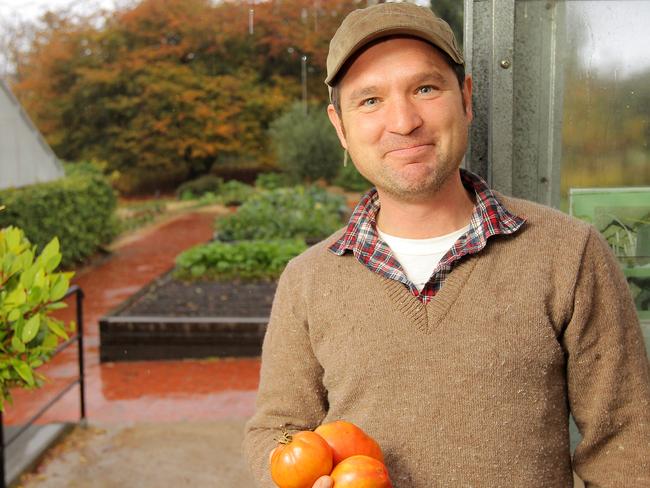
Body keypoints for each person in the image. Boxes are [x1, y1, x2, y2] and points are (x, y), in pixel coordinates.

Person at [243, 3, 650, 487]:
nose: (403, 121)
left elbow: (626, 446)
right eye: (369, 100)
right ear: (341, 128)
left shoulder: (569, 254)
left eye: (425, 88)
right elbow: (276, 429)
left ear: (466, 98)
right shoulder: (308, 279)